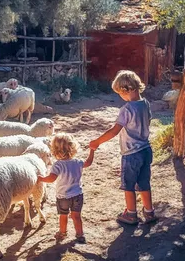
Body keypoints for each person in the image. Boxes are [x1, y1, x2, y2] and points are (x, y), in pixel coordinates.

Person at [89, 70, 157, 225]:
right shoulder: (145, 104)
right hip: (146, 150)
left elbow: (115, 130)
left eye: (120, 93)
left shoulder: (127, 109)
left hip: (131, 153)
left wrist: (97, 142)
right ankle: (149, 212)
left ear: (127, 90)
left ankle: (131, 214)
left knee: (129, 185)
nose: (120, 96)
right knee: (144, 183)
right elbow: (148, 122)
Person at [38, 133, 94, 243]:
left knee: (63, 216)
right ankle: (80, 234)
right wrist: (92, 150)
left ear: (54, 150)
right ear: (72, 147)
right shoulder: (77, 162)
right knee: (76, 216)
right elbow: (88, 162)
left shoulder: (58, 165)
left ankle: (62, 233)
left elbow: (51, 178)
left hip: (63, 196)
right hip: (78, 195)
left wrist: (41, 178)